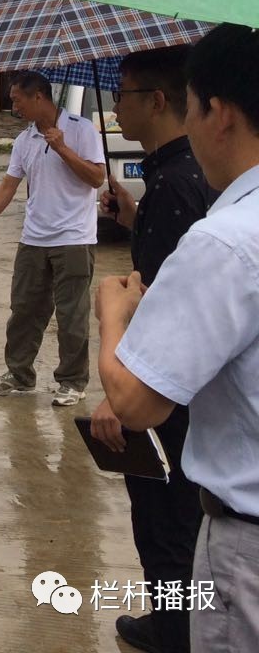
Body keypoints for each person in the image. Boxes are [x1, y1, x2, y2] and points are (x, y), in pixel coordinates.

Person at [96, 24, 259, 651]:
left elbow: (140, 400)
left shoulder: (222, 238)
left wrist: (116, 312)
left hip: (244, 535)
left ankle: (169, 628)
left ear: (216, 111)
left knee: (165, 526)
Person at [91, 47, 216, 653]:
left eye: (123, 95)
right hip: (195, 385)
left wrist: (122, 393)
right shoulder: (189, 175)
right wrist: (133, 212)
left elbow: (163, 305)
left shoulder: (172, 183)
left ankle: (173, 630)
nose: (115, 107)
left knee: (164, 518)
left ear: (158, 101)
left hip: (164, 387)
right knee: (179, 515)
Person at [0, 71, 106, 406]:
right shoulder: (24, 140)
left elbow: (97, 178)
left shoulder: (81, 129)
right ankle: (19, 374)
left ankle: (72, 381)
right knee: (24, 310)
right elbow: (7, 187)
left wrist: (62, 148)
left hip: (73, 238)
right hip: (33, 238)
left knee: (72, 315)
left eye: (17, 99)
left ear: (39, 96)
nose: (13, 106)